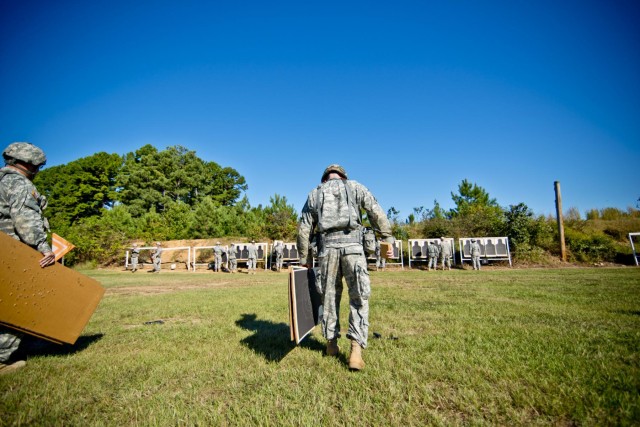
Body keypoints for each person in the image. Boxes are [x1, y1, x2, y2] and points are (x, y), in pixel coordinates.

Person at [297, 164, 394, 371]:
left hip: (327, 250)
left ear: (325, 179)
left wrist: (304, 257)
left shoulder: (315, 193)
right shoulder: (356, 187)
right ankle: (356, 351)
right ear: (343, 177)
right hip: (354, 249)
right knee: (358, 297)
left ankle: (331, 345)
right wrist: (387, 239)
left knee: (329, 298)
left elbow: (304, 227)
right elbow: (375, 211)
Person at [0, 142, 55, 375]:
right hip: (12, 253)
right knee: (19, 305)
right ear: (29, 164)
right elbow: (26, 220)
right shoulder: (20, 184)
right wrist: (44, 247)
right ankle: (1, 359)